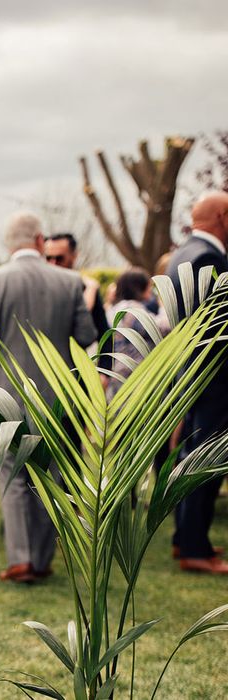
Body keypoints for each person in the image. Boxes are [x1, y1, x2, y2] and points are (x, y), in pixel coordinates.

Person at [0, 213, 96, 583]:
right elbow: (87, 335)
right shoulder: (70, 282)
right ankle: (41, 560)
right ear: (40, 240)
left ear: (9, 244)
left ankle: (21, 559)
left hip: (6, 396)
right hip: (58, 395)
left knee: (11, 473)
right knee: (51, 474)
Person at [167, 190, 228, 575]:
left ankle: (187, 539)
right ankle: (193, 547)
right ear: (223, 216)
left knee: (193, 457)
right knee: (206, 462)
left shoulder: (181, 254)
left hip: (193, 375)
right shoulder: (208, 259)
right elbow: (217, 328)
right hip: (214, 377)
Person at [44, 232, 112, 377]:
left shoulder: (85, 287)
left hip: (76, 373)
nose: (53, 263)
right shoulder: (37, 288)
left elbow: (104, 333)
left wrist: (104, 374)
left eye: (59, 258)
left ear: (74, 256)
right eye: (48, 258)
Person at [104, 267, 169, 400]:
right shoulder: (132, 310)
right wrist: (164, 306)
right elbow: (163, 328)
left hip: (120, 375)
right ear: (139, 287)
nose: (151, 290)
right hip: (135, 378)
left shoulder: (114, 308)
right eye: (149, 286)